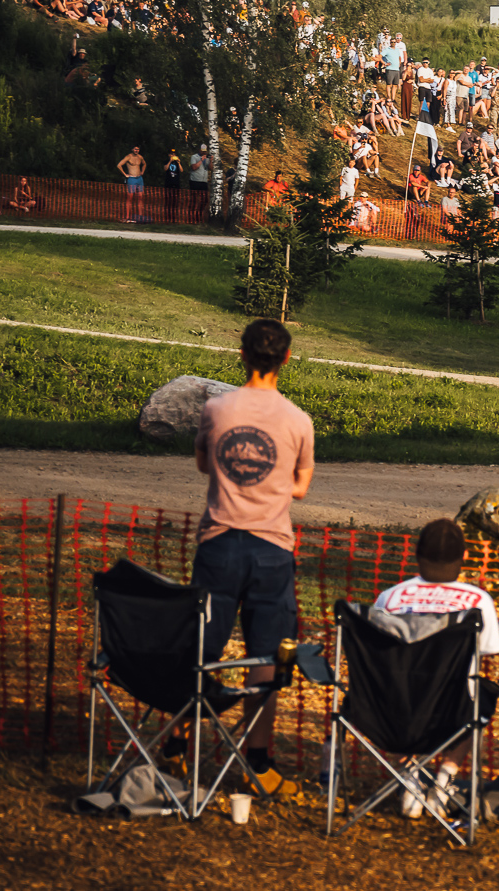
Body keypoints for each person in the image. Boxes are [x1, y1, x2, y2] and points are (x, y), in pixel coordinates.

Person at [190, 319, 315, 798]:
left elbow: (205, 463)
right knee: (266, 655)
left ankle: (177, 740)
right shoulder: (298, 420)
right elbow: (300, 488)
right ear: (286, 359)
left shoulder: (216, 408)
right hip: (271, 549)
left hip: (218, 543)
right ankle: (257, 761)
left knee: (201, 648)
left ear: (241, 354)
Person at [372, 517, 499, 818]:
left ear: (417, 554)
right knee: (481, 696)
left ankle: (409, 779)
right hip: (454, 712)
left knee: (399, 689)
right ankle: (444, 780)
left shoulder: (389, 599)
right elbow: (490, 651)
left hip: (395, 711)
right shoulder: (479, 602)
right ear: (464, 557)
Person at [116, 145, 146, 223]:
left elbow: (144, 164)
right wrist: (125, 174)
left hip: (139, 179)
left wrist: (142, 171)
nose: (136, 150)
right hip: (132, 179)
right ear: (132, 149)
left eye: (138, 149)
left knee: (140, 197)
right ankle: (127, 217)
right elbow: (119, 165)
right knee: (130, 197)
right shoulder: (128, 157)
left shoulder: (140, 157)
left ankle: (140, 217)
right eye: (135, 149)